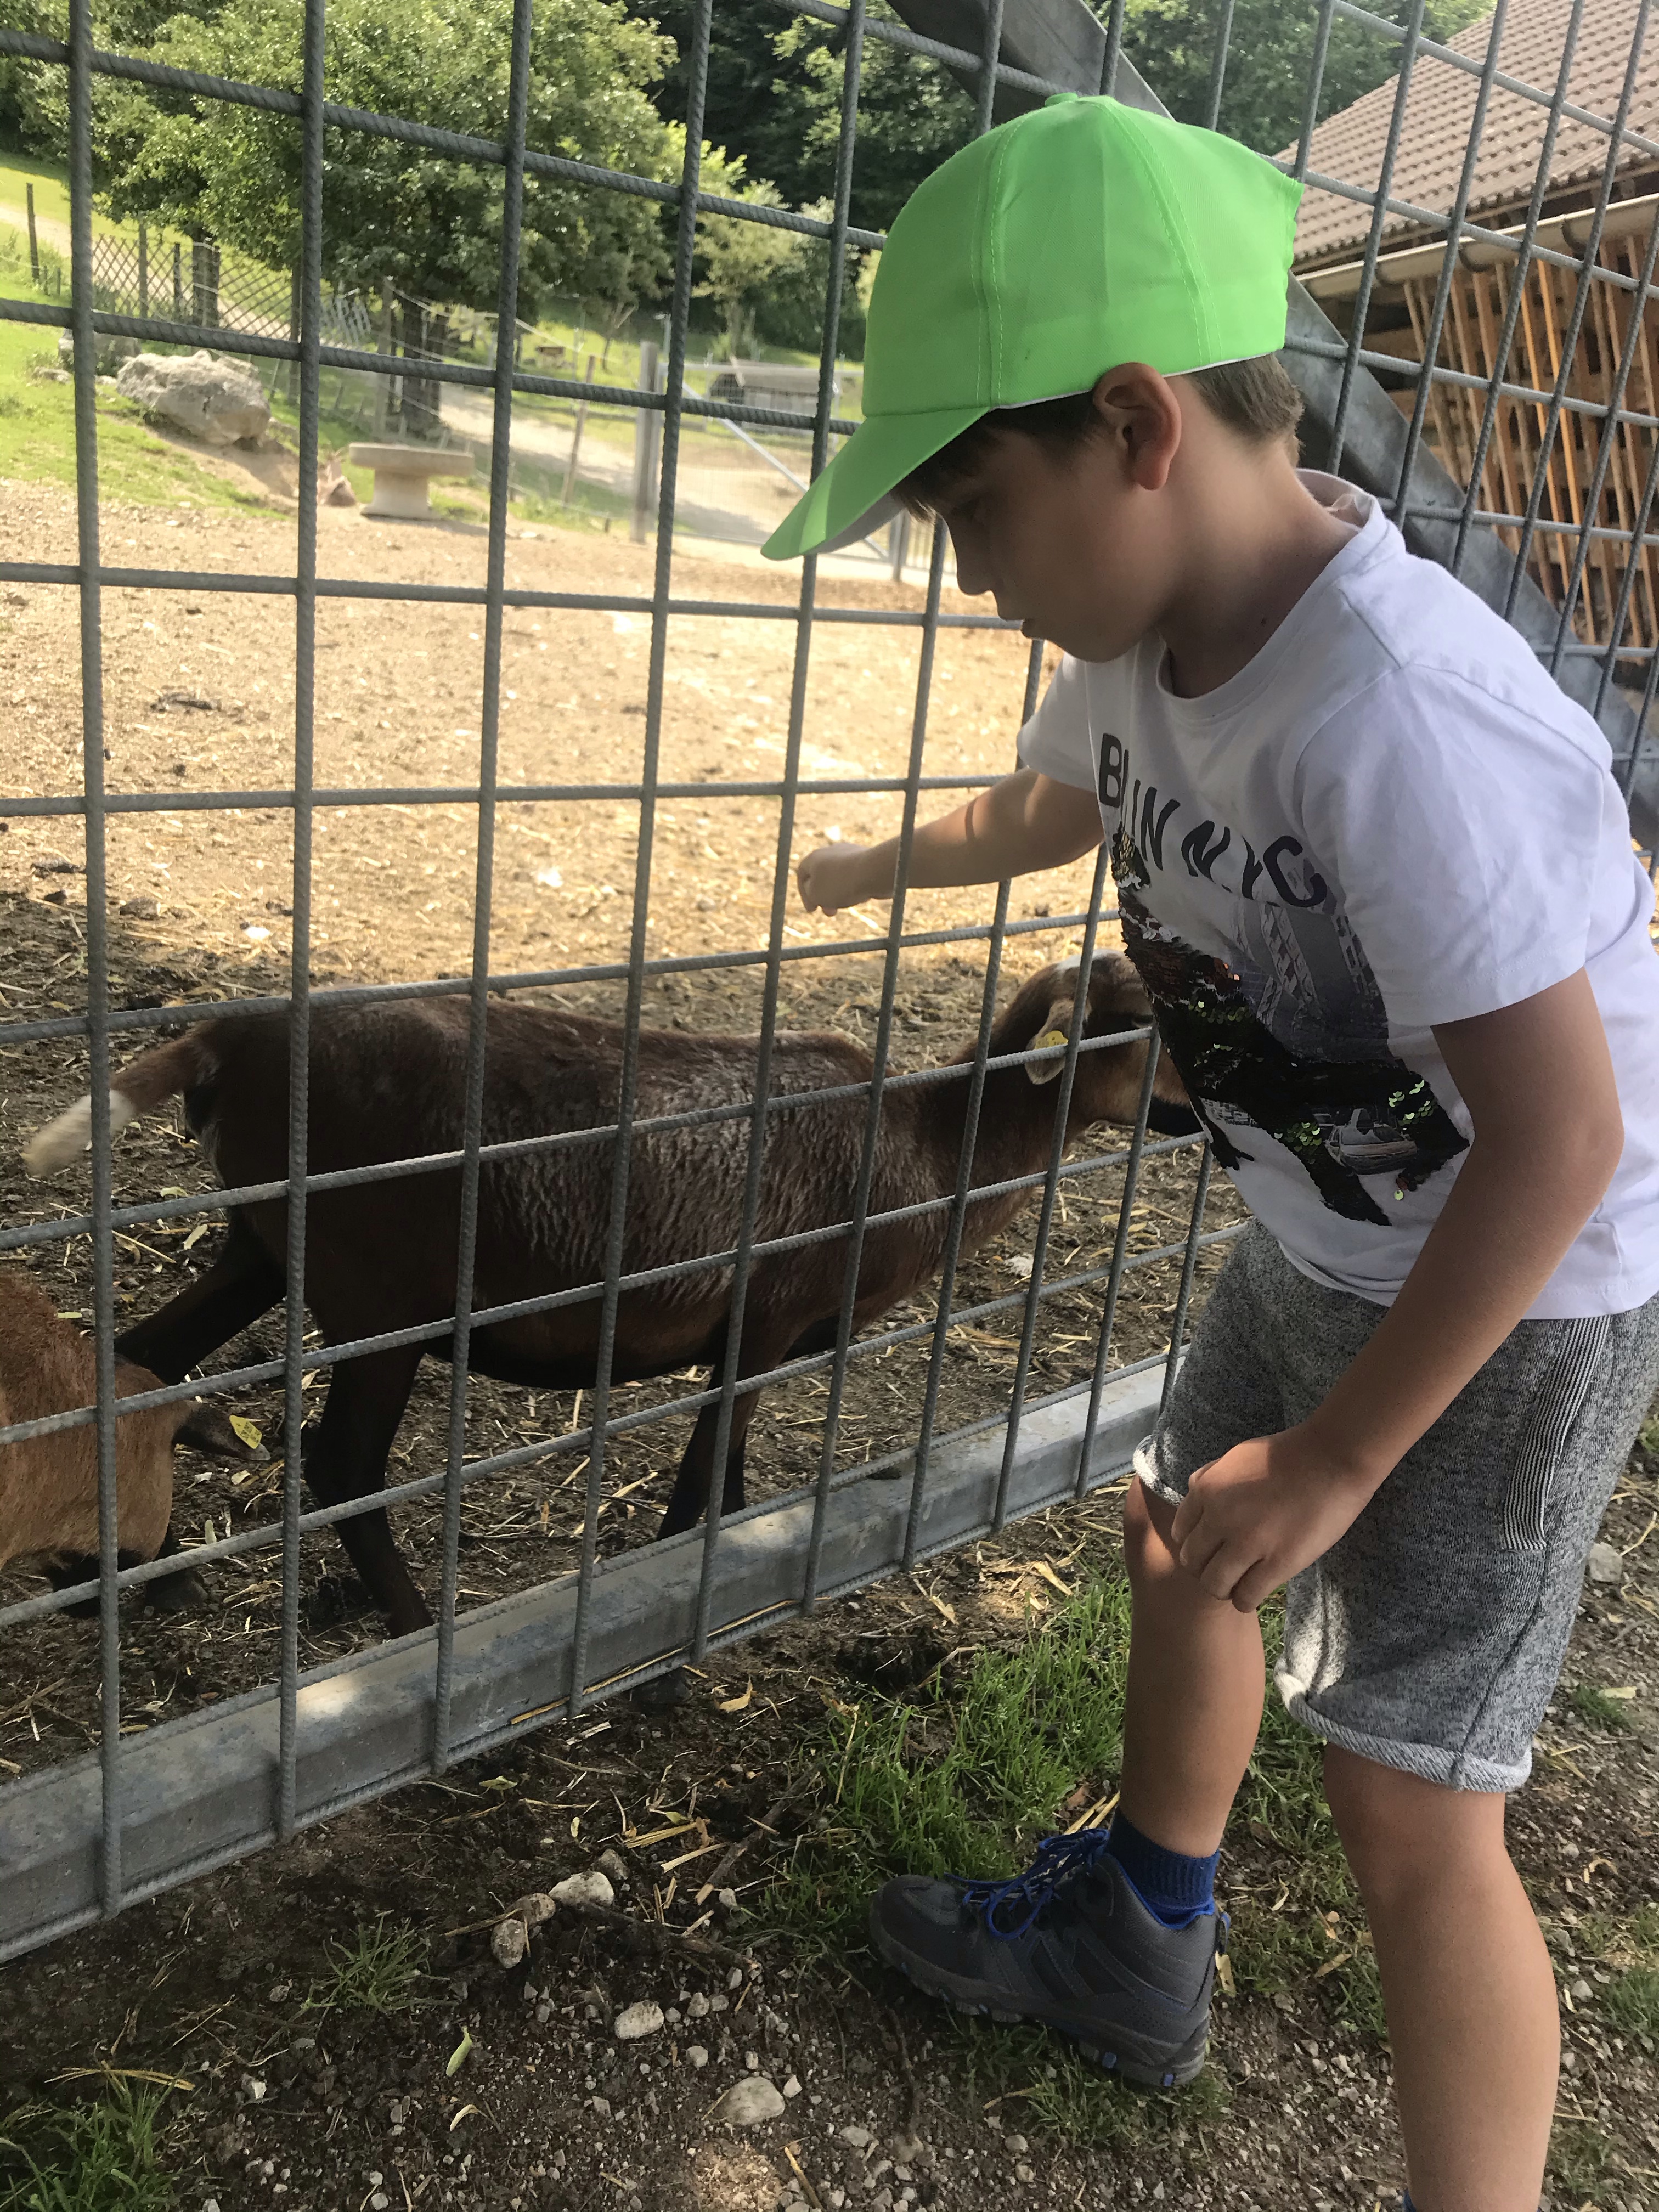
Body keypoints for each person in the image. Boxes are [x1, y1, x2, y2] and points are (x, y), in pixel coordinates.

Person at [760, 92, 1659, 2212]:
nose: (975, 579)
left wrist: (1344, 1455)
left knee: (1412, 1795)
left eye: (976, 509)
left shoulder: (1399, 715)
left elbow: (1562, 1138)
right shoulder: (1142, 643)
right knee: (1184, 1541)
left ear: (1138, 425)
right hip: (1330, 1231)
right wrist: (879, 862)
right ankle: (1138, 1936)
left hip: (1527, 1290)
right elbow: (1052, 804)